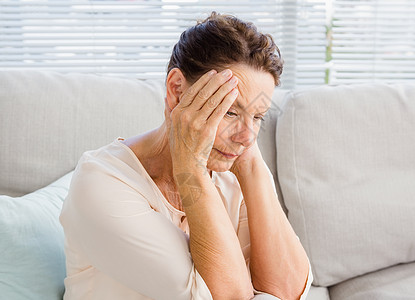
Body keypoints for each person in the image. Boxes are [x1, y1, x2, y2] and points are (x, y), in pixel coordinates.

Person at [60, 11, 312, 300]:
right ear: (177, 90)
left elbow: (289, 291)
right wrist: (189, 166)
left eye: (258, 117)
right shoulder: (101, 183)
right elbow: (231, 297)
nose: (246, 137)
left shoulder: (234, 166)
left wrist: (251, 164)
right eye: (230, 110)